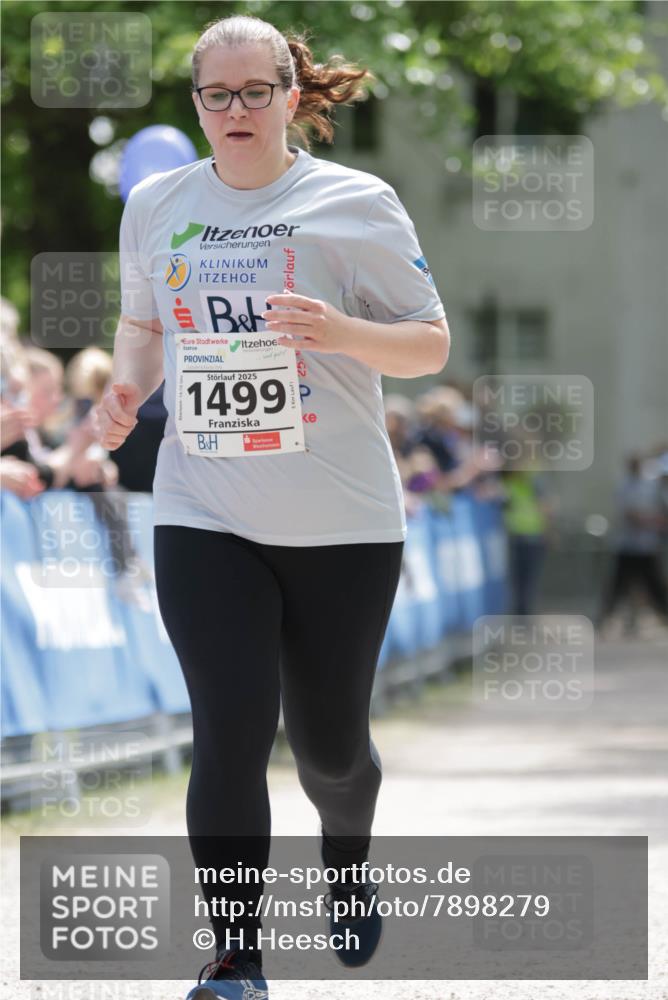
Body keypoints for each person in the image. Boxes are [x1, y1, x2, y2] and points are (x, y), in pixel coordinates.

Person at [94, 14, 449, 999]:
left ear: (291, 97)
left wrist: (338, 330)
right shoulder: (158, 203)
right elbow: (142, 324)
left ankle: (346, 853)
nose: (237, 109)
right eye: (218, 95)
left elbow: (428, 344)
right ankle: (235, 956)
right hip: (204, 506)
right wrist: (126, 387)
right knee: (229, 728)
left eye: (257, 91)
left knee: (330, 750)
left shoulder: (354, 201)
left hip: (341, 518)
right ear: (197, 104)